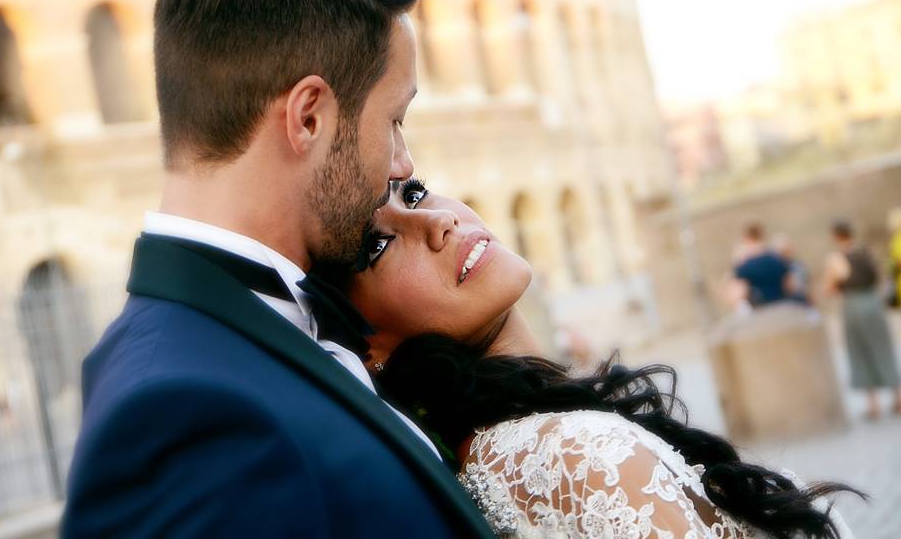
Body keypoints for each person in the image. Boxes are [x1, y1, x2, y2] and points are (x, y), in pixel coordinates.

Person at [62, 0, 493, 538]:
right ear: (308, 117)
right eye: (394, 120)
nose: (403, 162)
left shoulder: (225, 345)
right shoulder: (182, 418)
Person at [326, 182, 859, 538]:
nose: (438, 221)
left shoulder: (514, 445)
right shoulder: (571, 452)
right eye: (379, 245)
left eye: (414, 193)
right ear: (369, 347)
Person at [823, 221, 901, 420]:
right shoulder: (865, 251)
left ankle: (872, 403)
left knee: (859, 351)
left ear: (836, 236)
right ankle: (897, 395)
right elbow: (877, 276)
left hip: (853, 305)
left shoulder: (837, 258)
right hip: (873, 302)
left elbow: (831, 288)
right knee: (882, 347)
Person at [731, 223, 793, 308]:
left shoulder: (743, 265)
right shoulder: (776, 258)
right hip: (781, 302)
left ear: (746, 239)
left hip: (759, 307)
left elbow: (740, 292)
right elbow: (789, 285)